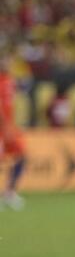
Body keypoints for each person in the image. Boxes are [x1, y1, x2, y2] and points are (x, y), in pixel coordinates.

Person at [0, 64, 27, 210]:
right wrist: (5, 125)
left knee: (21, 156)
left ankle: (10, 192)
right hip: (3, 129)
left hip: (8, 128)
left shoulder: (9, 80)